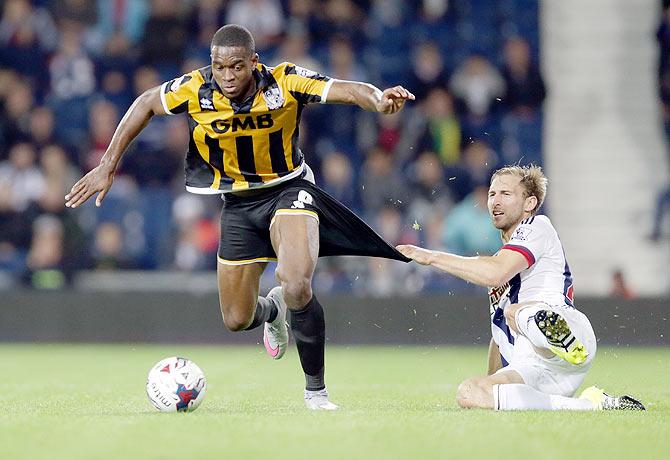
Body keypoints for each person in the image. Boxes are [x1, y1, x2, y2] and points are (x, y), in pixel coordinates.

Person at [65, 24, 413, 410]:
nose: (227, 76)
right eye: (219, 67)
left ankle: (316, 392)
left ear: (254, 62)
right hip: (238, 203)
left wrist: (379, 100)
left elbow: (345, 89)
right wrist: (107, 165)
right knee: (236, 318)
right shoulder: (196, 88)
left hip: (288, 189)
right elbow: (146, 102)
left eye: (236, 67)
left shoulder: (285, 82)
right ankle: (273, 309)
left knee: (296, 282)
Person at [397, 165, 645, 411]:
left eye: (506, 194)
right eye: (492, 194)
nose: (495, 201)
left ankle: (557, 335)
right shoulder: (498, 264)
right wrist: (491, 386)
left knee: (515, 312)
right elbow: (498, 340)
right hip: (534, 368)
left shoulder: (537, 227)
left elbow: (494, 272)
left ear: (529, 203)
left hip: (567, 330)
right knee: (470, 393)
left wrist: (430, 257)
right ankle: (591, 404)